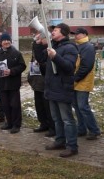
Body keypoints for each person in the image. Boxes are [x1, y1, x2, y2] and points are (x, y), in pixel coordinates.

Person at [35, 23, 79, 158]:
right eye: (52, 30)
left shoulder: (70, 48)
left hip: (62, 88)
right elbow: (41, 58)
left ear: (64, 33)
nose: (52, 32)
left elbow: (69, 67)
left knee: (67, 119)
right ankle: (60, 141)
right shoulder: (52, 46)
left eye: (55, 30)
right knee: (56, 118)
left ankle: (72, 146)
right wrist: (37, 43)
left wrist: (55, 56)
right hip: (51, 88)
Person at [0, 32, 26, 134]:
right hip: (2, 84)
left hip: (13, 83)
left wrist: (12, 71)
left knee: (15, 105)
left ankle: (16, 125)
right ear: (1, 42)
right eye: (4, 40)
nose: (6, 42)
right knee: (5, 105)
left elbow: (22, 66)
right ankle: (8, 122)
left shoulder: (16, 53)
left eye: (8, 40)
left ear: (10, 41)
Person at [70, 27, 101, 140]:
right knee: (77, 106)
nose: (75, 36)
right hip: (75, 80)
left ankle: (94, 130)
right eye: (74, 34)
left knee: (83, 107)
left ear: (84, 34)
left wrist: (75, 78)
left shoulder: (87, 47)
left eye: (77, 34)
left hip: (83, 81)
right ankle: (81, 129)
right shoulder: (78, 46)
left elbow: (86, 66)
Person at [30, 32, 55, 137]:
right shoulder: (37, 47)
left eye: (40, 37)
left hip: (46, 81)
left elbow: (42, 60)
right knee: (39, 105)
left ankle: (52, 127)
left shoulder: (49, 49)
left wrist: (38, 45)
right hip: (37, 81)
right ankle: (43, 123)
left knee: (48, 106)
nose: (38, 38)